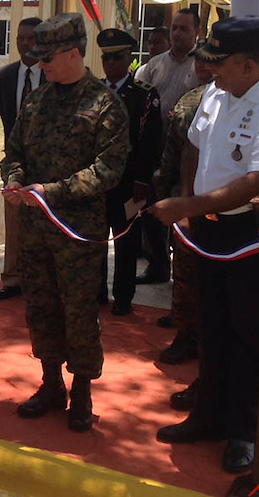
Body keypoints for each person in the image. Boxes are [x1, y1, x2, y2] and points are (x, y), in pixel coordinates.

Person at [150, 16, 259, 475]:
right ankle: (209, 415)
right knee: (212, 326)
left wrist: (186, 205)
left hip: (255, 234)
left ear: (248, 62)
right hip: (210, 227)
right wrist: (192, 209)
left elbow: (256, 183)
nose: (211, 72)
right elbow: (195, 149)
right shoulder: (220, 92)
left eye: (221, 64)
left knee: (249, 335)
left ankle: (245, 431)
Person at [0, 13, 129, 432]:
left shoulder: (104, 103)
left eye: (49, 57)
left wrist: (52, 191)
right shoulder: (37, 100)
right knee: (41, 307)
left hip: (78, 231)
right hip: (36, 228)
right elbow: (13, 150)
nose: (41, 65)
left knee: (78, 312)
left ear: (75, 53)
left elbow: (108, 169)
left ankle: (82, 391)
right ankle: (51, 383)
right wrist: (15, 179)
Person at [152, 57, 214, 379]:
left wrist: (162, 189)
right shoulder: (193, 103)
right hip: (191, 202)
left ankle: (192, 335)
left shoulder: (193, 101)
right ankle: (188, 333)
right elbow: (175, 153)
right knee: (188, 273)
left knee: (192, 276)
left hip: (213, 205)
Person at [96, 29, 162, 316]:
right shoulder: (93, 92)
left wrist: (142, 180)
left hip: (127, 182)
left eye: (117, 57)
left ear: (129, 59)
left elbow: (149, 140)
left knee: (126, 241)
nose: (110, 63)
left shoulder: (144, 95)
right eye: (106, 58)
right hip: (96, 182)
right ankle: (96, 292)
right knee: (96, 239)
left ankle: (123, 296)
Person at [135, 9, 203, 286]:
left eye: (184, 29)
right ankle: (158, 265)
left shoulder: (202, 65)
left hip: (190, 152)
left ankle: (187, 273)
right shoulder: (154, 66)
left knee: (185, 208)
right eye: (174, 28)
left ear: (197, 33)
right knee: (153, 209)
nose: (177, 34)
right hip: (156, 150)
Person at [0, 16, 44, 300]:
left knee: (42, 225)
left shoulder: (52, 75)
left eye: (32, 38)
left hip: (48, 166)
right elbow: (9, 123)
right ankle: (12, 279)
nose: (26, 44)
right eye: (22, 38)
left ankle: (40, 281)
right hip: (14, 163)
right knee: (14, 222)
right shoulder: (4, 77)